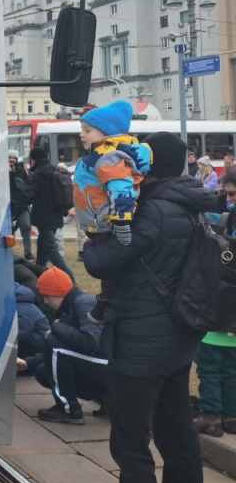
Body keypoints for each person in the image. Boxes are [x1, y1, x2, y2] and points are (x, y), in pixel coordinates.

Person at [83, 131, 213, 483]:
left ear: (145, 165)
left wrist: (90, 234)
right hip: (178, 337)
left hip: (140, 346)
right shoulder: (192, 203)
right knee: (177, 437)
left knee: (132, 446)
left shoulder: (149, 211)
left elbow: (101, 263)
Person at [72, 101, 152, 323]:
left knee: (111, 270)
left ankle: (105, 304)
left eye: (87, 131)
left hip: (109, 224)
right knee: (111, 268)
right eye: (82, 130)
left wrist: (121, 221)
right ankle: (108, 302)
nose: (82, 135)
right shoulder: (101, 156)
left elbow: (121, 189)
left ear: (107, 132)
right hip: (101, 224)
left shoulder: (108, 158)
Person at [30, 267, 107, 424]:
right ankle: (107, 397)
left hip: (109, 364)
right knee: (43, 371)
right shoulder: (71, 306)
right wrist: (28, 363)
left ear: (58, 293)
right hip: (103, 363)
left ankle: (68, 409)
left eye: (46, 296)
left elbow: (91, 341)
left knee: (54, 344)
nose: (45, 301)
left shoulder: (83, 303)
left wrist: (57, 328)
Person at [194, 169, 236, 437]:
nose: (228, 199)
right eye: (225, 193)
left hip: (219, 312)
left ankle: (211, 417)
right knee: (232, 371)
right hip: (231, 319)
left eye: (231, 194)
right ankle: (231, 417)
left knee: (209, 370)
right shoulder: (229, 215)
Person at [20, 146, 75, 283]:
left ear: (33, 159)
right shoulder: (54, 170)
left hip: (44, 216)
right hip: (56, 214)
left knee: (50, 247)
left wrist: (16, 209)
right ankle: (40, 272)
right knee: (43, 245)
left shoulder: (38, 173)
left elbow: (27, 195)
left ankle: (69, 277)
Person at [15, 282, 50, 365]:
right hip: (38, 341)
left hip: (38, 344)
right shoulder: (21, 303)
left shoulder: (20, 307)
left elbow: (22, 333)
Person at [9, 150, 33, 260]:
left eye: (14, 158)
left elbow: (28, 186)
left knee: (26, 227)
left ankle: (28, 252)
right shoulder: (1, 172)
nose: (11, 160)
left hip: (22, 206)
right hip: (9, 208)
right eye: (9, 157)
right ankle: (8, 252)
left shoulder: (21, 171)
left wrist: (27, 172)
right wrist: (8, 173)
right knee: (9, 231)